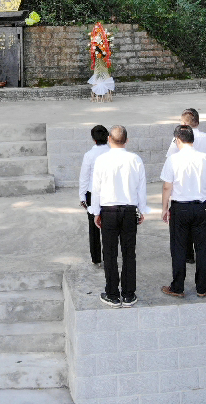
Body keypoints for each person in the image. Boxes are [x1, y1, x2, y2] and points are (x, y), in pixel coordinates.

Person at [89, 126, 150, 307]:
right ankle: (129, 294)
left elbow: (96, 188)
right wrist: (141, 209)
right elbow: (141, 187)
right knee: (129, 253)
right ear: (127, 140)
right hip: (129, 210)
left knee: (109, 253)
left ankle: (112, 294)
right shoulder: (135, 159)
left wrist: (96, 211)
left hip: (108, 210)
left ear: (109, 139)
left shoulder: (101, 160)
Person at [160, 125, 206, 299]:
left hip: (180, 208)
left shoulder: (173, 160)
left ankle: (177, 287)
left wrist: (164, 207)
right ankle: (202, 287)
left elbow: (167, 186)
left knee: (178, 248)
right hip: (199, 206)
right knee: (202, 248)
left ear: (177, 140)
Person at [79, 125, 110, 266]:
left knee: (94, 226)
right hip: (110, 194)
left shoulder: (89, 155)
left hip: (93, 194)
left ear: (93, 139)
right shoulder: (112, 153)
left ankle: (96, 258)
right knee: (109, 226)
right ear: (107, 137)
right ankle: (109, 256)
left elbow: (84, 177)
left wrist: (82, 196)